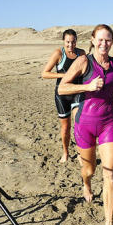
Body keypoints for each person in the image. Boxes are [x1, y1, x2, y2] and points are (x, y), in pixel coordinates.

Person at [58, 24, 113, 225]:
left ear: (112, 42)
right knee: (89, 170)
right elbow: (62, 87)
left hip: (108, 123)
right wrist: (87, 87)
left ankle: (109, 224)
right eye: (100, 39)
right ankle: (86, 184)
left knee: (110, 173)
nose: (104, 43)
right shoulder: (83, 62)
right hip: (85, 124)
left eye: (108, 40)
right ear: (93, 40)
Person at [41, 29, 85, 163]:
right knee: (66, 128)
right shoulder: (58, 54)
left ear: (76, 41)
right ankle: (65, 152)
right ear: (63, 41)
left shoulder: (81, 53)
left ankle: (80, 153)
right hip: (62, 95)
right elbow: (45, 73)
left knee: (79, 124)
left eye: (73, 42)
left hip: (77, 92)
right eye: (68, 42)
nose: (70, 45)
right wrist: (64, 75)